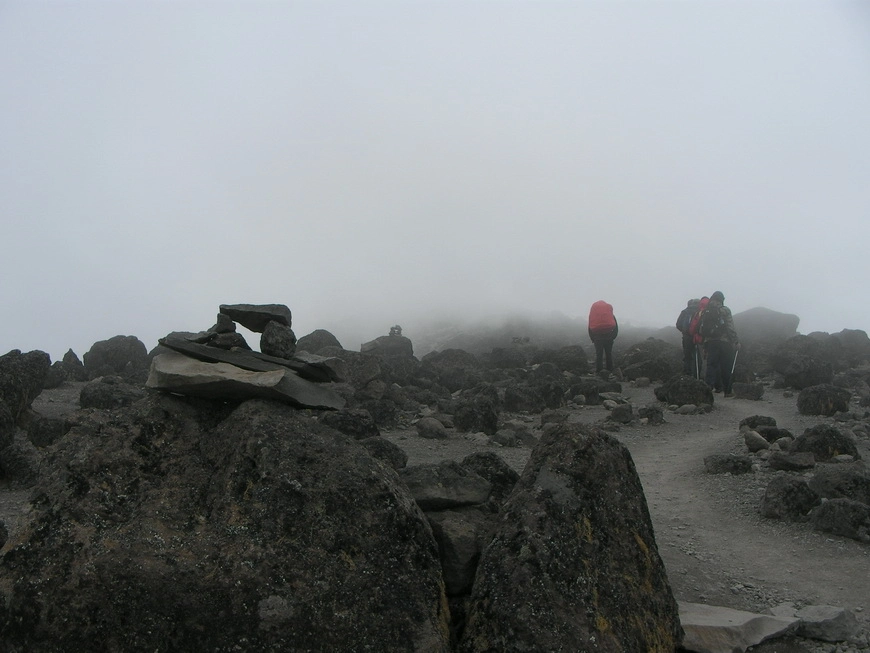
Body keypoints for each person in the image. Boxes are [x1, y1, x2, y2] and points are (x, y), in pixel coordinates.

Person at [702, 291, 739, 396]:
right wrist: (735, 341)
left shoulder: (707, 311)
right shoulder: (725, 310)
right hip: (724, 342)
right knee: (726, 366)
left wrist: (705, 345)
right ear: (721, 300)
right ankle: (727, 391)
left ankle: (706, 391)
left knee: (711, 366)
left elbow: (704, 329)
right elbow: (730, 327)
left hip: (711, 342)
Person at [588, 300, 618, 373]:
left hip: (597, 338)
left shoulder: (593, 316)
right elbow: (616, 327)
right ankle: (610, 369)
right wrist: (613, 337)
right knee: (608, 354)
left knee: (599, 354)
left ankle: (599, 371)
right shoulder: (610, 315)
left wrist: (593, 338)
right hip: (609, 337)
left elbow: (590, 328)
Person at [687, 296, 709, 379]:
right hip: (712, 339)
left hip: (699, 339)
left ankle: (697, 378)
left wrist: (692, 335)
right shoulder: (712, 311)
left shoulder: (698, 313)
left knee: (698, 359)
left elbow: (693, 327)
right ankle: (713, 382)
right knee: (711, 361)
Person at [676, 298, 700, 375]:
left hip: (686, 337)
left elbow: (678, 324)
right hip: (697, 337)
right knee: (697, 357)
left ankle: (687, 374)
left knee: (687, 357)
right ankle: (697, 375)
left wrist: (685, 332)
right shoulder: (700, 312)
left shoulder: (685, 311)